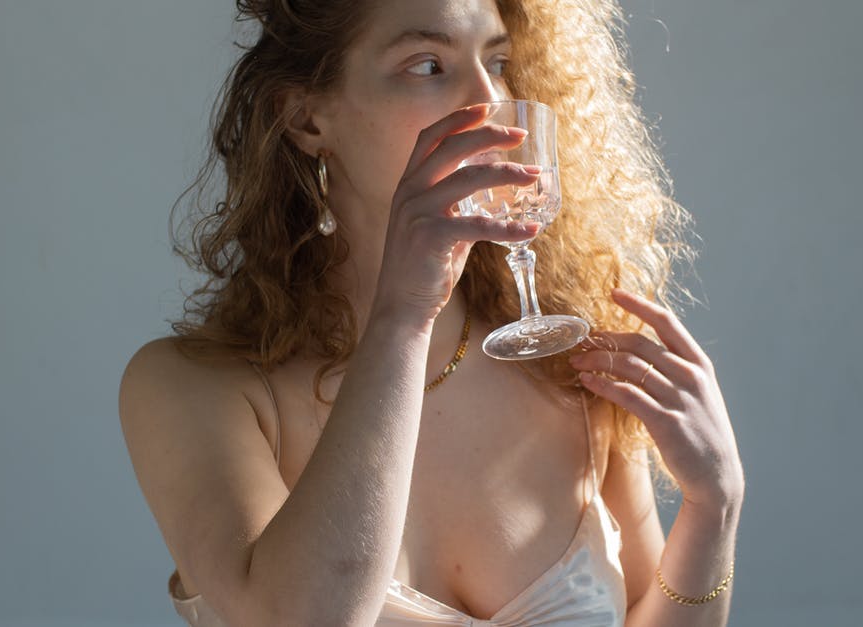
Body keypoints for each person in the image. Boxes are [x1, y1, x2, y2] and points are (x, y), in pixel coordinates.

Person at [118, 0, 745, 625]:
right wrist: (404, 314)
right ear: (305, 117)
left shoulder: (567, 362)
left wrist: (714, 509)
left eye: (497, 61)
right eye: (427, 65)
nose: (489, 100)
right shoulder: (189, 390)